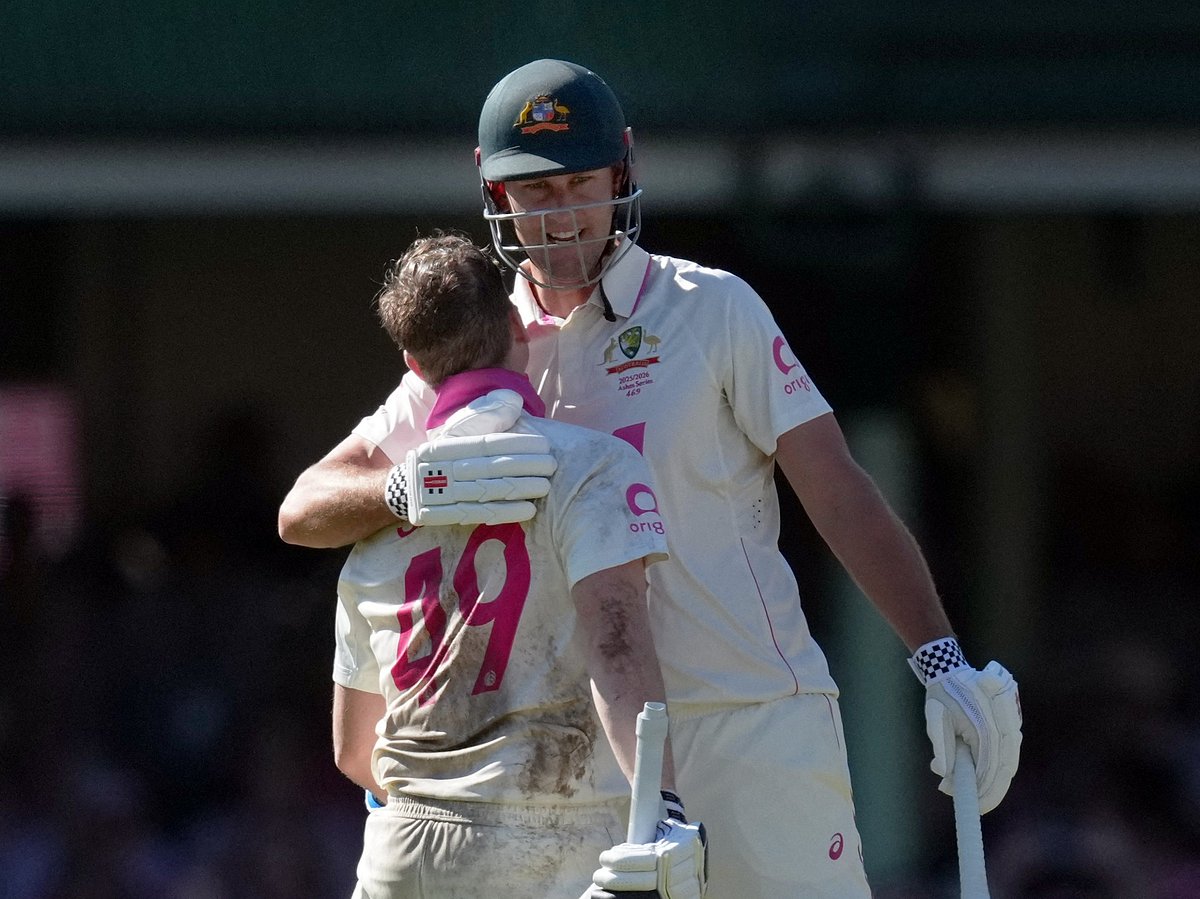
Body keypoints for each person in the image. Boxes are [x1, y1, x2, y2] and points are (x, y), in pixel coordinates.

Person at [281, 59, 1022, 897]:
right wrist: (403, 489)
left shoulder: (710, 308)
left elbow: (837, 488)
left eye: (577, 185)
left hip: (754, 724)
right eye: (533, 192)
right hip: (597, 764)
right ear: (492, 190)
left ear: (622, 172)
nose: (558, 217)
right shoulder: (486, 337)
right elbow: (304, 507)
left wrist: (938, 654)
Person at [329, 233, 705, 899]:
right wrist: (663, 806)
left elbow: (353, 751)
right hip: (551, 838)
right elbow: (617, 645)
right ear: (513, 324)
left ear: (415, 365)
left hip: (400, 855)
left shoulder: (373, 520)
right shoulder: (593, 464)